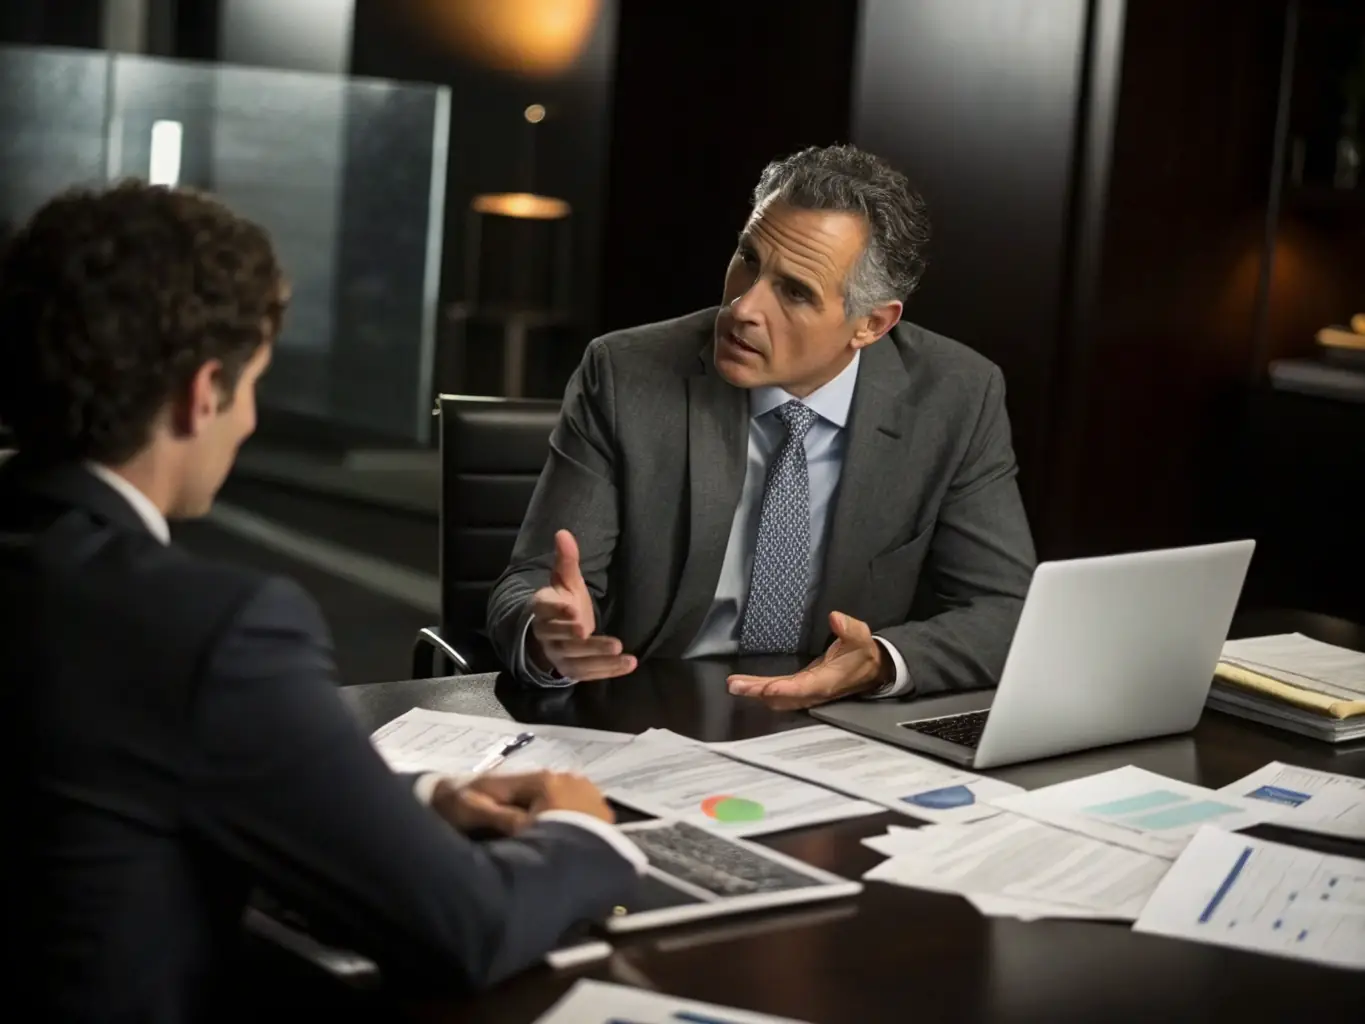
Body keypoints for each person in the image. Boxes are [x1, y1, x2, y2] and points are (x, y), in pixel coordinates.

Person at [0, 182, 643, 1022]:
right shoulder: (211, 629)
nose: (251, 416)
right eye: (255, 381)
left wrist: (411, 803)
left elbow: (120, 776)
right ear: (202, 393)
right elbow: (471, 927)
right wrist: (583, 832)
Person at [488, 144, 1036, 708]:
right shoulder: (627, 375)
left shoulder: (955, 396)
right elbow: (528, 586)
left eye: (795, 291)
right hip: (648, 710)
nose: (744, 307)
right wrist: (547, 635)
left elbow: (1007, 612)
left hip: (834, 725)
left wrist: (879, 661)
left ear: (870, 325)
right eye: (748, 260)